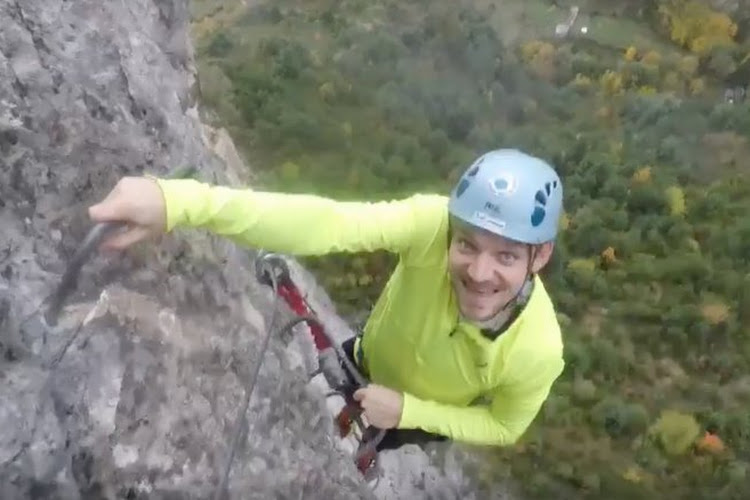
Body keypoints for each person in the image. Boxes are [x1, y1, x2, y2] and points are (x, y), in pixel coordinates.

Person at [88, 148, 565, 451]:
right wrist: (177, 202)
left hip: (412, 417)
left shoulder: (537, 350)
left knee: (375, 441)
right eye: (467, 246)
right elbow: (330, 223)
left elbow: (504, 427)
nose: (480, 273)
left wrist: (407, 413)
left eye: (505, 256)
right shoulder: (432, 227)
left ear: (539, 256)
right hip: (359, 358)